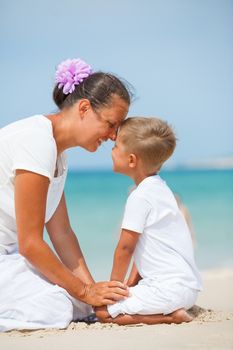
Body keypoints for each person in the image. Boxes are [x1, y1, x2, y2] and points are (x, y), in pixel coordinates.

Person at [0, 58, 131, 332]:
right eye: (110, 124)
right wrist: (84, 291)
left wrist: (92, 294)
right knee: (59, 307)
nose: (113, 136)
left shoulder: (58, 154)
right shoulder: (36, 142)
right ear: (84, 108)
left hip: (8, 256)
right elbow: (31, 244)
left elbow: (62, 234)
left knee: (80, 305)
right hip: (10, 255)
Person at [95, 117, 203, 325]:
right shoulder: (161, 189)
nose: (111, 150)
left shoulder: (139, 197)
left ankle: (171, 317)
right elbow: (144, 246)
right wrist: (132, 282)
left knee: (102, 311)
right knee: (127, 295)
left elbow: (125, 248)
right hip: (186, 289)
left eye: (116, 147)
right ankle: (170, 311)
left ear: (132, 160)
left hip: (167, 292)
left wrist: (113, 289)